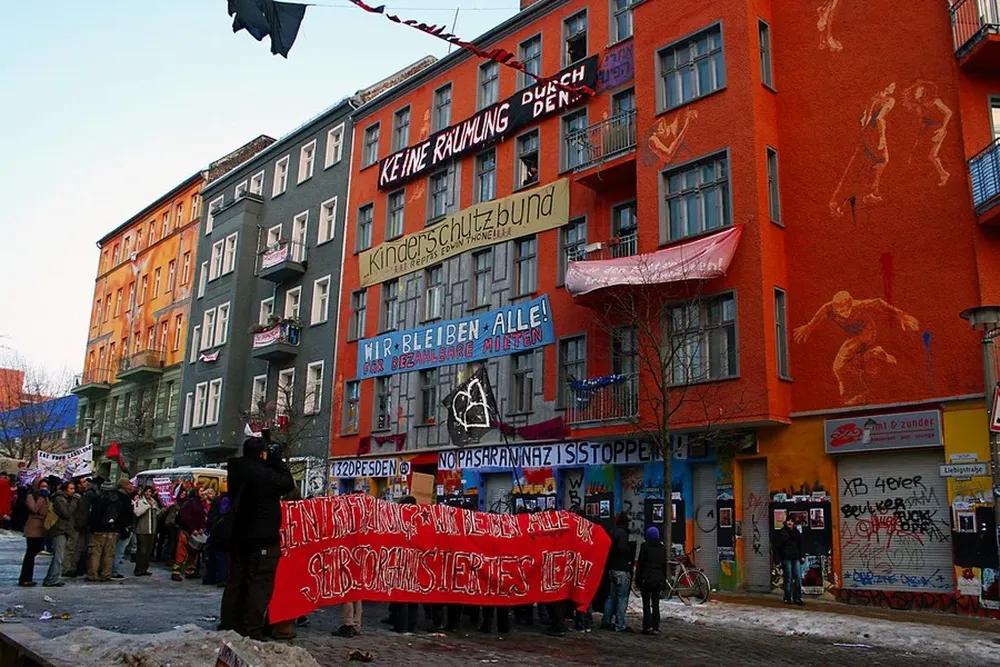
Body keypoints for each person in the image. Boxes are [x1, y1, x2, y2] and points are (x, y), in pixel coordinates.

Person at [220, 435, 294, 640]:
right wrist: (276, 460)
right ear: (262, 454)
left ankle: (230, 622)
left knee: (236, 581)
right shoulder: (261, 475)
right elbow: (287, 483)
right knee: (259, 584)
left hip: (239, 536)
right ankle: (251, 627)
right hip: (262, 537)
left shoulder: (237, 470)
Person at [44, 480, 79, 587]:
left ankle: (53, 577)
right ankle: (51, 579)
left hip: (64, 530)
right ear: (65, 489)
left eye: (74, 489)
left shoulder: (65, 498)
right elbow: (66, 513)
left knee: (59, 556)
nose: (73, 491)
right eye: (71, 489)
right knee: (58, 557)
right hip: (59, 530)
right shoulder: (59, 499)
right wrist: (74, 501)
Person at [602, 513, 633, 632]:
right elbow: (622, 550)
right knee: (622, 597)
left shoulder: (613, 532)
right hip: (621, 569)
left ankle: (606, 621)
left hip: (612, 568)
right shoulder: (623, 534)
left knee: (611, 596)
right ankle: (620, 624)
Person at [87, 478, 120, 582]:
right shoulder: (118, 501)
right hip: (112, 530)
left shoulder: (97, 501)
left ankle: (93, 574)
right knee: (109, 554)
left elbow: (93, 516)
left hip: (98, 530)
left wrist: (91, 528)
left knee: (95, 553)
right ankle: (106, 574)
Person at [635, 526, 667, 635]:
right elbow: (664, 565)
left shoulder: (645, 546)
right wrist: (664, 580)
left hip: (647, 578)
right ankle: (656, 627)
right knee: (656, 603)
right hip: (658, 578)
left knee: (646, 603)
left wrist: (638, 580)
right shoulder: (662, 548)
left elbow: (640, 564)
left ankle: (647, 626)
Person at [18, 478, 50, 587]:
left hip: (42, 528)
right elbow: (34, 509)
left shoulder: (46, 497)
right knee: (30, 554)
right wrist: (41, 497)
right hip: (33, 528)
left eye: (46, 487)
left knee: (34, 552)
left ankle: (28, 578)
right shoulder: (31, 496)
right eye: (42, 487)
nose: (44, 489)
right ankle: (25, 578)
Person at [173, 486, 207, 581]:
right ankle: (176, 572)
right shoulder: (189, 503)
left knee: (193, 552)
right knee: (181, 552)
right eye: (201, 490)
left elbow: (201, 518)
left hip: (195, 532)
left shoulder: (200, 504)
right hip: (185, 531)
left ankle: (190, 572)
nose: (203, 492)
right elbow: (184, 518)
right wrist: (192, 529)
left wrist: (200, 528)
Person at [203, 490, 231, 587]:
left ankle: (210, 577)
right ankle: (222, 578)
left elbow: (210, 517)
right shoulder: (229, 501)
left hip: (215, 532)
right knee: (221, 556)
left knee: (213, 555)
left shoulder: (217, 500)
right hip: (224, 533)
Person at [774, 517, 805, 605]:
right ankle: (787, 597)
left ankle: (797, 598)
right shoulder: (782, 533)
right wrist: (778, 560)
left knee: (798, 578)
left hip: (796, 558)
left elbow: (801, 545)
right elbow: (777, 547)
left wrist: (802, 556)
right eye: (788, 521)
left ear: (794, 523)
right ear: (785, 522)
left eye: (791, 521)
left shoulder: (797, 532)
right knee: (788, 578)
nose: (790, 523)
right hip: (786, 558)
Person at [110, 479, 136, 579]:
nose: (132, 486)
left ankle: (111, 569)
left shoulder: (117, 496)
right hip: (123, 527)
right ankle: (114, 570)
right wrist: (126, 527)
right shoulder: (124, 498)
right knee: (119, 550)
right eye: (130, 484)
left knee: (114, 550)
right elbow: (124, 514)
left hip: (117, 527)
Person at [133, 486, 160, 576]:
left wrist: (165, 509)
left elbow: (157, 514)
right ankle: (138, 569)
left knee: (148, 551)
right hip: (142, 529)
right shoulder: (140, 501)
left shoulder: (154, 502)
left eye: (150, 492)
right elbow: (137, 512)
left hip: (152, 530)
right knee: (142, 551)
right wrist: (148, 506)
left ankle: (144, 568)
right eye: (147, 492)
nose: (148, 493)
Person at [65, 478, 89, 578]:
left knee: (78, 549)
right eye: (83, 482)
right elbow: (70, 511)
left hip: (81, 525)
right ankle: (66, 568)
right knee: (70, 548)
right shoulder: (74, 497)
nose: (86, 483)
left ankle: (73, 567)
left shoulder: (84, 495)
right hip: (74, 525)